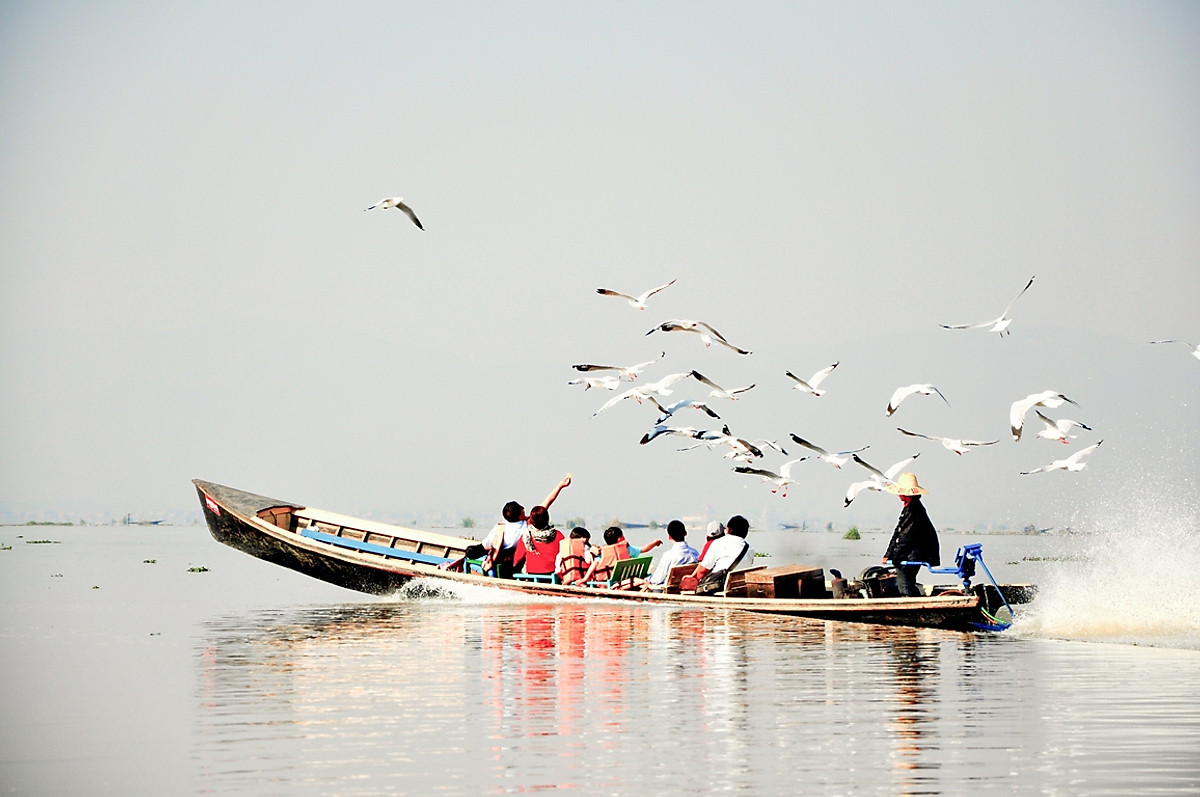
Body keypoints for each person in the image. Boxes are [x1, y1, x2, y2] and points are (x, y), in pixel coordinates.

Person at [483, 474, 571, 578]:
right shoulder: (555, 534)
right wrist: (560, 486)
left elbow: (517, 559)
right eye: (522, 509)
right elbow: (547, 502)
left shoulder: (521, 532)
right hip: (552, 574)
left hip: (530, 572)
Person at [881, 472, 940, 598]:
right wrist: (889, 553)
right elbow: (898, 532)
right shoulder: (909, 508)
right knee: (907, 582)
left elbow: (906, 538)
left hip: (915, 553)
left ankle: (912, 605)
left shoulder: (914, 511)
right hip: (911, 553)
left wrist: (896, 558)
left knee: (904, 584)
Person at [681, 515, 754, 591]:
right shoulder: (750, 549)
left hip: (717, 587)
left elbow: (701, 572)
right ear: (746, 533)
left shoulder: (718, 543)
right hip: (739, 588)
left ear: (728, 530)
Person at [514, 505, 565, 577]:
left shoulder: (526, 536)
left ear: (531, 520)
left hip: (532, 575)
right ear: (547, 519)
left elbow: (517, 560)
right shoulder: (558, 535)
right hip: (554, 575)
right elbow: (565, 554)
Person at [645, 519, 699, 588]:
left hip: (669, 589)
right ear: (685, 533)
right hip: (685, 587)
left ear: (669, 537)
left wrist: (646, 579)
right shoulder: (695, 553)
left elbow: (657, 580)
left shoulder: (668, 556)